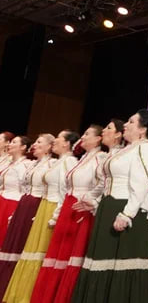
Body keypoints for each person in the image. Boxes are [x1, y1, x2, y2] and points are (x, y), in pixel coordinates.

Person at [71, 109, 148, 303]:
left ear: (142, 130)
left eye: (131, 122)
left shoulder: (145, 149)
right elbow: (110, 183)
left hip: (126, 210)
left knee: (120, 264)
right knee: (102, 261)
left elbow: (141, 185)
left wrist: (127, 214)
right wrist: (96, 203)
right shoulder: (126, 149)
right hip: (110, 207)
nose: (126, 125)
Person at [31, 125, 108, 303]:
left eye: (87, 134)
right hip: (68, 206)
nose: (83, 137)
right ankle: (51, 295)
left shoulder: (100, 158)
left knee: (71, 254)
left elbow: (103, 183)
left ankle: (64, 296)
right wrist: (59, 212)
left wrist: (90, 198)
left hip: (81, 208)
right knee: (59, 254)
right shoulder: (83, 159)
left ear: (98, 139)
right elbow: (65, 188)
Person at [4, 130, 79, 302]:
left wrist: (56, 214)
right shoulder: (56, 163)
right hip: (42, 204)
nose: (35, 145)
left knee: (40, 250)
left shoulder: (66, 162)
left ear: (66, 143)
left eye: (58, 138)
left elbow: (64, 189)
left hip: (50, 205)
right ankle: (20, 292)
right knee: (30, 249)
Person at [0, 134, 59, 297]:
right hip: (24, 204)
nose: (35, 144)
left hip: (35, 204)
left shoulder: (52, 164)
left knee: (23, 244)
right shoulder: (33, 164)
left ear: (49, 147)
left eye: (39, 142)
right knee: (12, 243)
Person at [0, 135, 30, 247]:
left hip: (12, 203)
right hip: (3, 199)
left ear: (23, 147)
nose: (9, 144)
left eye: (14, 142)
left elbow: (25, 187)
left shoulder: (25, 165)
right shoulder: (9, 163)